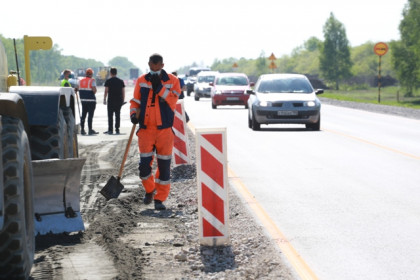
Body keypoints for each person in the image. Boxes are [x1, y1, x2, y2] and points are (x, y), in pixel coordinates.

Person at [130, 54, 181, 210]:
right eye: (151, 66)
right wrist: (133, 114)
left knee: (164, 166)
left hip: (164, 130)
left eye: (157, 66)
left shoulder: (172, 80)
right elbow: (136, 101)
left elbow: (173, 100)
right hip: (146, 129)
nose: (154, 69)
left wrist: (159, 88)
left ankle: (159, 199)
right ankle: (150, 189)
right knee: (144, 167)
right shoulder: (142, 80)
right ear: (149, 64)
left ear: (162, 65)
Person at [103, 67, 125, 134]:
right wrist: (123, 100)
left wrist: (104, 99)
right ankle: (117, 129)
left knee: (110, 115)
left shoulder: (108, 81)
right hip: (119, 100)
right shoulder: (121, 81)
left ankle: (110, 130)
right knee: (117, 115)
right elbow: (123, 91)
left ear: (110, 73)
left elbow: (106, 91)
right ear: (116, 73)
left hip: (111, 100)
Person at [77, 68, 98, 135]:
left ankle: (82, 130)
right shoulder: (92, 80)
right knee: (90, 116)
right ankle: (90, 130)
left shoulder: (80, 80)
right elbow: (94, 91)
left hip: (83, 100)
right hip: (91, 100)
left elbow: (77, 88)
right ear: (91, 74)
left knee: (83, 115)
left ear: (86, 73)